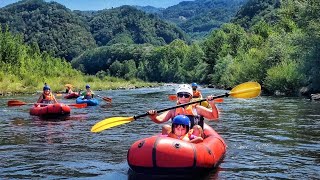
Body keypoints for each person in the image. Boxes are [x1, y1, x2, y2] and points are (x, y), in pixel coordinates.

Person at [148, 84, 219, 130]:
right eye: (180, 95)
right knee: (166, 128)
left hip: (194, 138)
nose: (183, 97)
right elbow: (159, 120)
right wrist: (153, 116)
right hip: (178, 137)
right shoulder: (173, 110)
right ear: (177, 97)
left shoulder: (196, 108)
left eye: (186, 95)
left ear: (190, 97)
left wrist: (212, 104)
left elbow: (214, 116)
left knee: (197, 128)